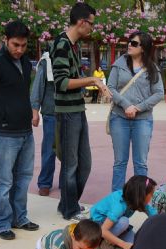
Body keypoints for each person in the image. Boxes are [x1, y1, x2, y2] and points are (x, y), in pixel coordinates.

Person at [0, 20, 39, 240]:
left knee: (23, 177)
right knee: (3, 181)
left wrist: (28, 111)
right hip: (2, 133)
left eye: (23, 45)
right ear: (5, 40)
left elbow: (22, 93)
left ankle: (19, 217)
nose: (19, 50)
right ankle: (2, 222)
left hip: (24, 131)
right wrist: (0, 114)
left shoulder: (27, 64)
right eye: (15, 45)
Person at [52, 2, 111, 221]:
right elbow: (61, 82)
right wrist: (93, 80)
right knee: (71, 165)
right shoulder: (61, 44)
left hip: (77, 109)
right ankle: (69, 210)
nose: (92, 28)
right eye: (91, 24)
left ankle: (68, 203)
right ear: (81, 22)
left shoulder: (73, 44)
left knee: (84, 163)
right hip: (67, 112)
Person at [108, 31, 164, 191]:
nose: (129, 45)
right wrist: (126, 105)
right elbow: (110, 87)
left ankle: (141, 196)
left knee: (141, 163)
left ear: (144, 48)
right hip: (119, 118)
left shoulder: (152, 68)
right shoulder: (119, 64)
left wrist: (138, 108)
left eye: (134, 43)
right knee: (120, 162)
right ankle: (117, 197)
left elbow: (159, 92)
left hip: (143, 120)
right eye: (129, 42)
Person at [90, 175, 157, 249]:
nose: (152, 196)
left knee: (137, 244)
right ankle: (105, 242)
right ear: (142, 195)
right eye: (151, 194)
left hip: (114, 224)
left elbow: (155, 216)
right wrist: (123, 244)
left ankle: (113, 238)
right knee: (124, 222)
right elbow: (103, 230)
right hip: (98, 226)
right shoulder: (119, 206)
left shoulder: (135, 199)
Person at [30, 48, 57, 197]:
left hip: (69, 112)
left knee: (69, 151)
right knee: (49, 149)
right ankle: (45, 182)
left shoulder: (72, 58)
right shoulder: (46, 61)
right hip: (51, 111)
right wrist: (35, 111)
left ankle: (67, 182)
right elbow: (38, 87)